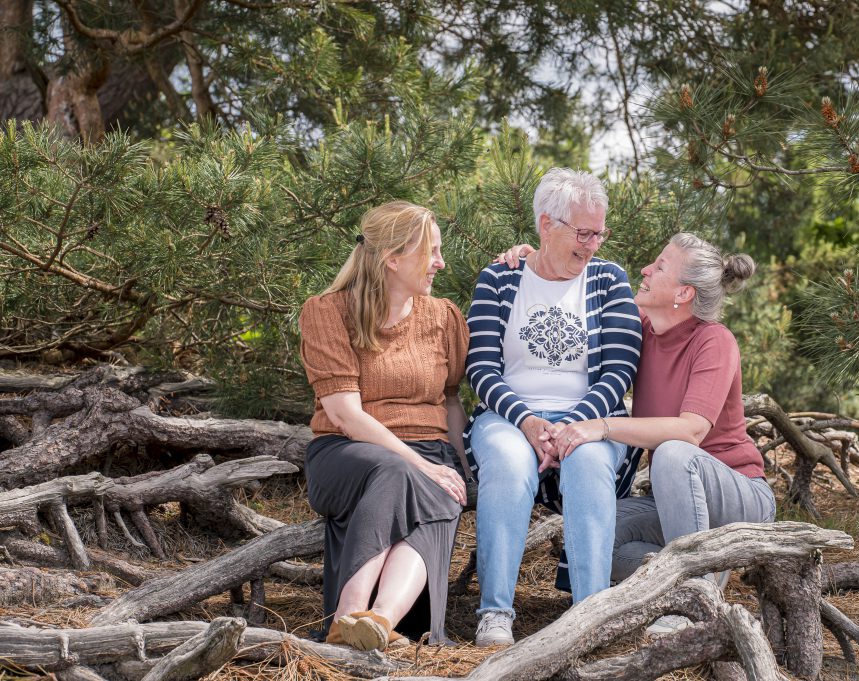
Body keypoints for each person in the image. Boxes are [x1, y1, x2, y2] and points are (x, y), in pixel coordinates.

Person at [501, 232, 776, 634]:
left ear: (683, 293)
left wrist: (602, 426)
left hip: (739, 499)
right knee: (596, 536)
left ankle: (692, 597)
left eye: (660, 266)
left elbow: (692, 430)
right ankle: (683, 576)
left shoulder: (714, 341)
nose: (645, 270)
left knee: (672, 452)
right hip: (674, 502)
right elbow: (582, 296)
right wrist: (543, 262)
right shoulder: (640, 327)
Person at [465, 168, 643, 647]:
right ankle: (496, 612)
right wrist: (527, 421)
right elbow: (480, 368)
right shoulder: (499, 280)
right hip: (508, 416)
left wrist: (567, 426)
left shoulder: (610, 280)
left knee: (586, 462)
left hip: (593, 421)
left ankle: (590, 613)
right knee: (505, 458)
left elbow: (619, 371)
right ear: (546, 225)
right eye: (582, 233)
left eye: (599, 233)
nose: (592, 245)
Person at [298, 201, 469, 651]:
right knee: (401, 472)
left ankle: (378, 622)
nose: (440, 262)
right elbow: (345, 415)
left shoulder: (443, 317)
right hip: (345, 454)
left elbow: (451, 398)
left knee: (440, 495)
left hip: (427, 450)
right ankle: (347, 612)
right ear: (393, 258)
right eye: (431, 251)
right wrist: (424, 467)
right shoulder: (327, 312)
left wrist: (459, 467)